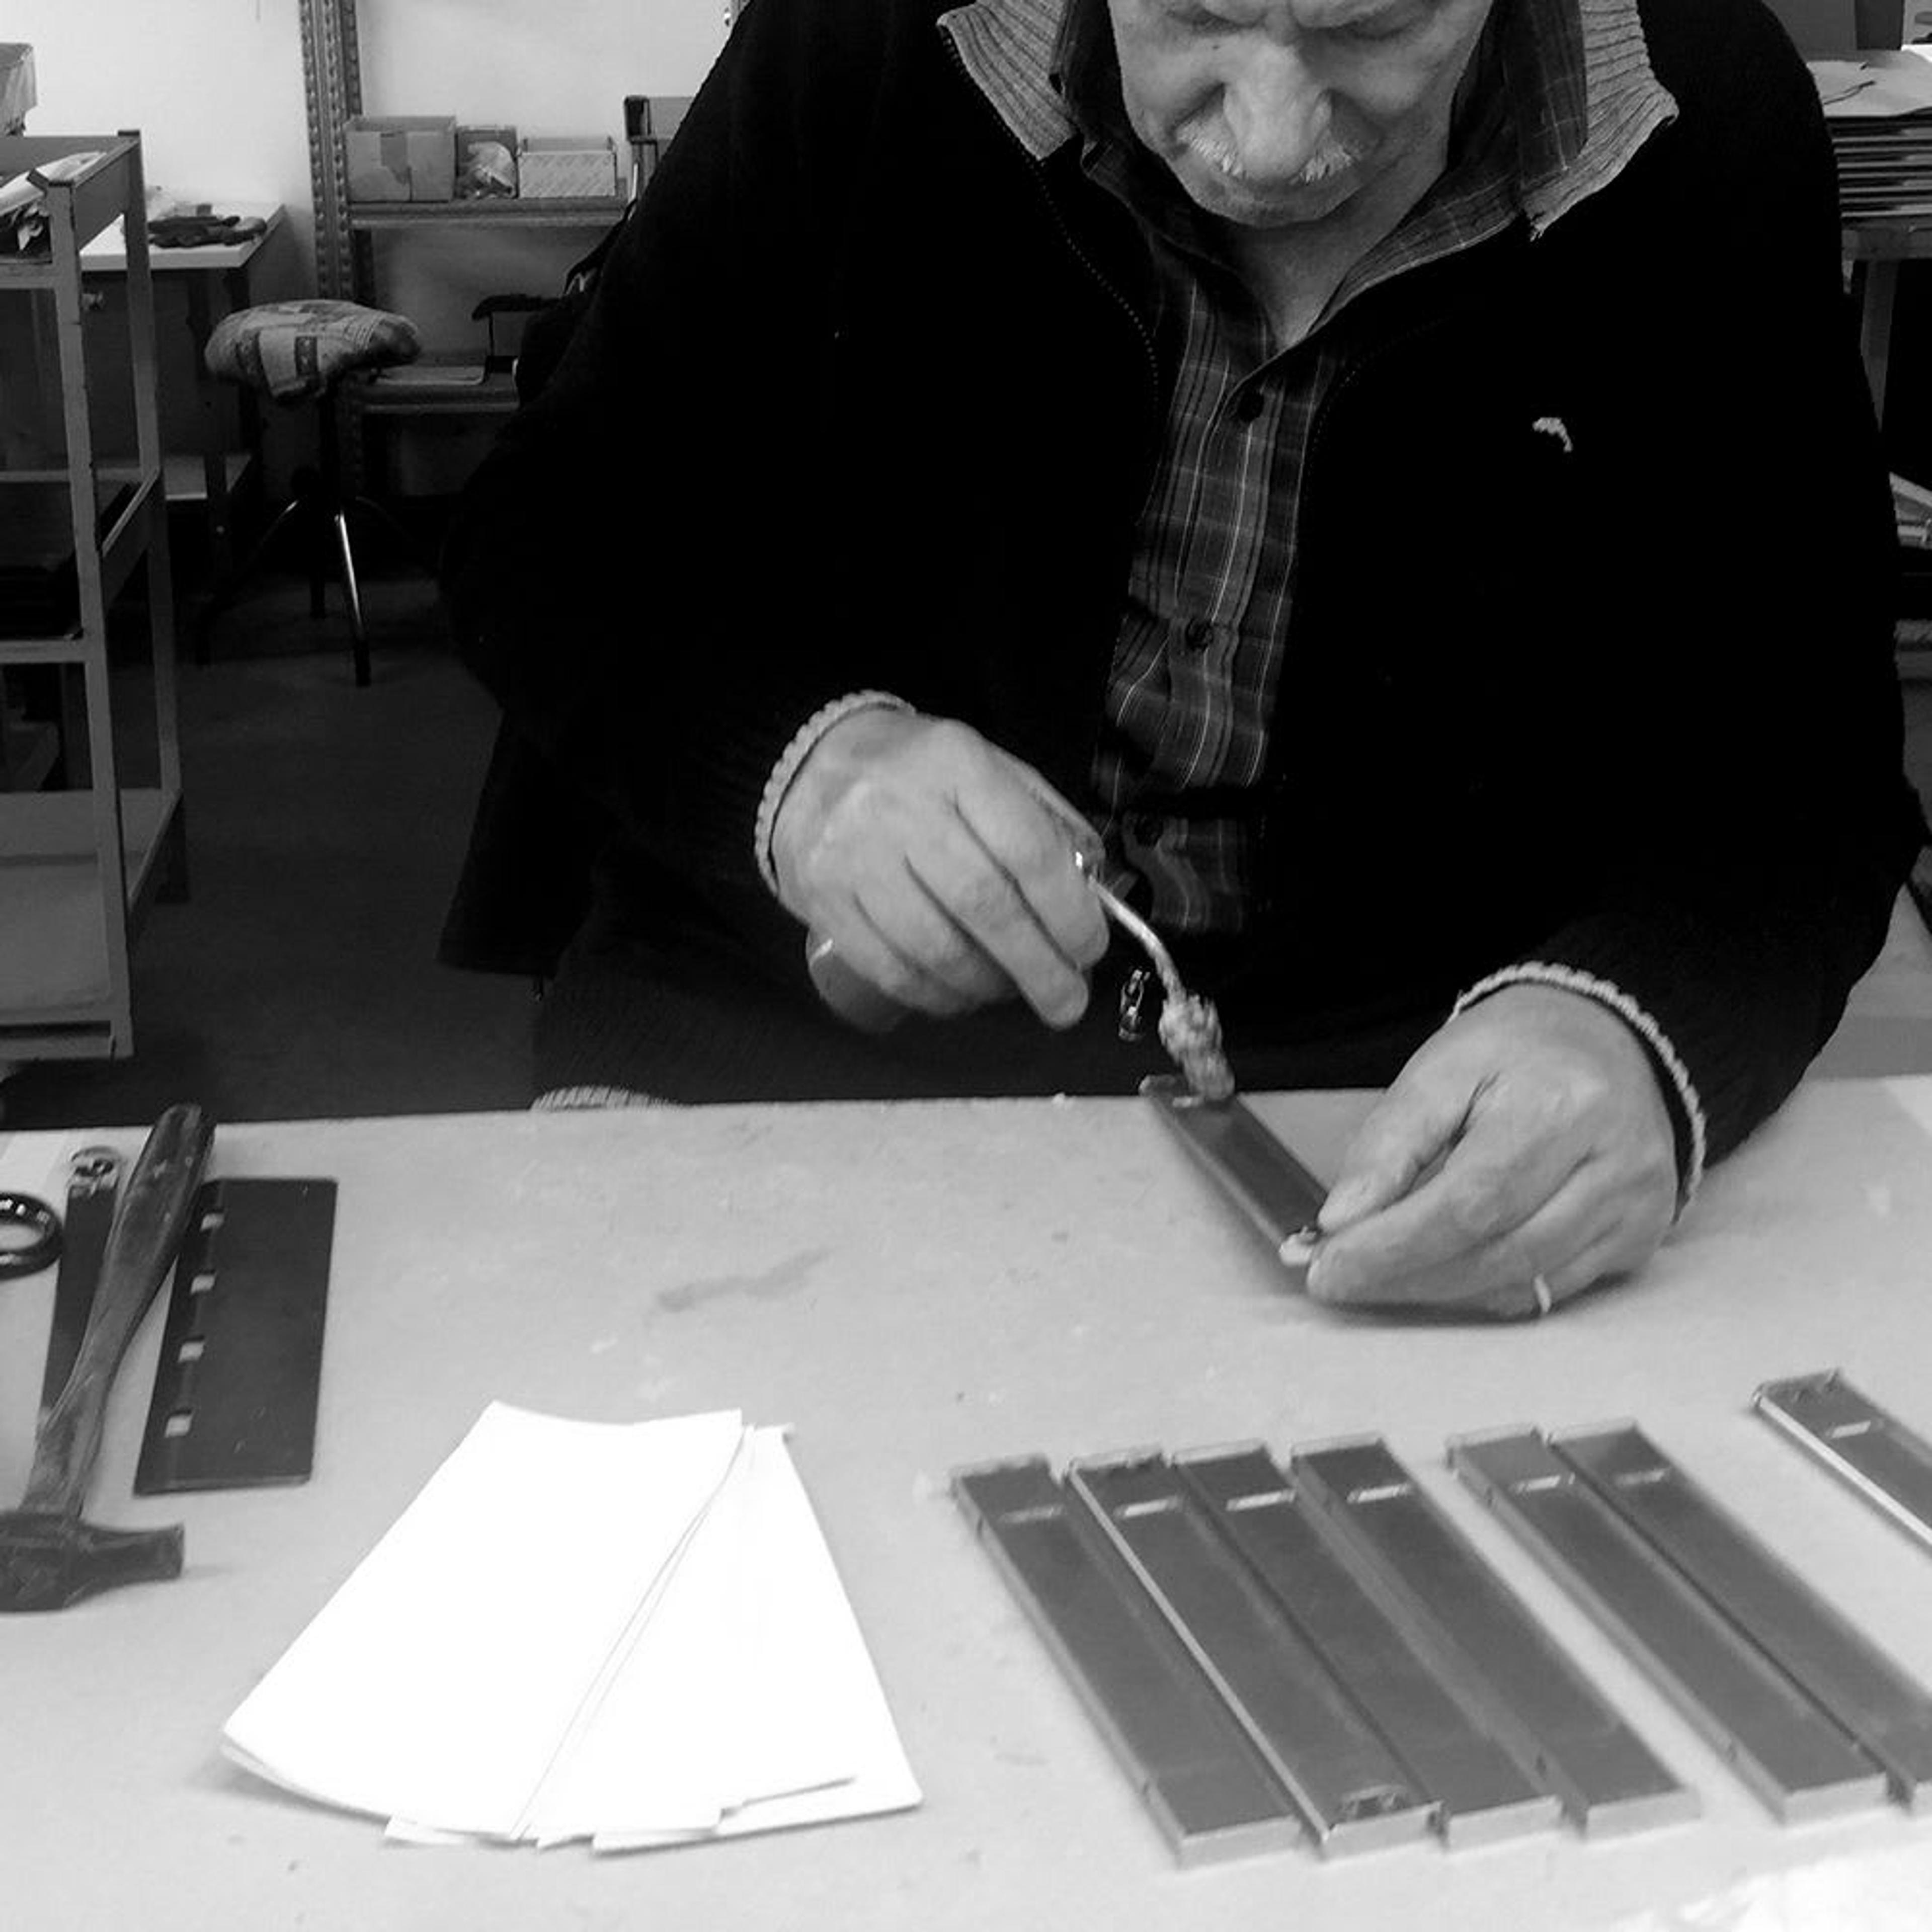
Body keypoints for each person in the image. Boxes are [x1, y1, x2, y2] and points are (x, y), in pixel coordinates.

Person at [439, 0, 1924, 1319]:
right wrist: (808, 773)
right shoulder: (865, 40)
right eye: (1197, 19)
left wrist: (1635, 1026)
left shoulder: (1698, 111)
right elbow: (551, 533)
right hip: (771, 1027)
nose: (1270, 146)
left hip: (1417, 1092)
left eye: (1372, 30)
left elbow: (1810, 774)